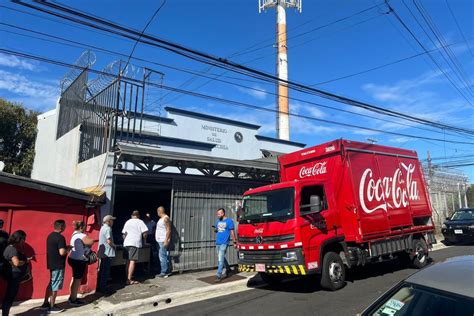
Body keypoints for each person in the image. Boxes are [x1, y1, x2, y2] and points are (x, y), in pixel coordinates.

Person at [40, 220, 69, 314]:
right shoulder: (60, 237)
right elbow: (62, 252)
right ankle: (52, 306)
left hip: (51, 263)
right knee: (55, 285)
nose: (65, 227)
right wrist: (68, 249)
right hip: (58, 264)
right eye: (64, 226)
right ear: (61, 227)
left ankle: (45, 303)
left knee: (51, 283)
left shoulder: (50, 236)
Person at [2, 230, 30, 316]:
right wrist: (25, 261)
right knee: (10, 296)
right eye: (23, 238)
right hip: (14, 276)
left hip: (11, 275)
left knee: (9, 295)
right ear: (19, 239)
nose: (24, 241)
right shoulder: (12, 249)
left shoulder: (8, 247)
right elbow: (16, 263)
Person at [67, 221, 93, 306]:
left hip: (72, 258)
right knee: (77, 279)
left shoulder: (74, 234)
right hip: (78, 260)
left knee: (74, 278)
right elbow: (90, 242)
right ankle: (73, 300)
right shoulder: (81, 235)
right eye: (84, 227)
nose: (85, 228)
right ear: (81, 227)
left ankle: (72, 296)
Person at [122, 210, 148, 285]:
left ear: (132, 215)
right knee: (132, 261)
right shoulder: (140, 222)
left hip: (126, 243)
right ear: (138, 216)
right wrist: (144, 241)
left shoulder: (127, 222)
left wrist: (125, 240)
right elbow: (145, 233)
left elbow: (124, 234)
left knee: (127, 261)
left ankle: (127, 278)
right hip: (134, 243)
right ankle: (129, 280)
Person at [214, 208, 237, 283]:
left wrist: (234, 242)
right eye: (217, 214)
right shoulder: (217, 221)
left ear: (223, 213)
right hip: (218, 242)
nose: (218, 215)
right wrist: (215, 230)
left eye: (219, 213)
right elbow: (216, 229)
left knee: (220, 259)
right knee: (221, 257)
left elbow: (232, 232)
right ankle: (228, 268)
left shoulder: (229, 221)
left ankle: (218, 275)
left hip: (224, 243)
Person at [97, 215, 116, 294]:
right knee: (105, 271)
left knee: (102, 270)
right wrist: (114, 246)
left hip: (102, 252)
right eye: (112, 220)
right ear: (109, 221)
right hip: (107, 252)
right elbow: (109, 241)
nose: (113, 222)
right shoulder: (108, 228)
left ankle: (99, 286)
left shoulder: (102, 228)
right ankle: (103, 288)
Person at [155, 206, 171, 278]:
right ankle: (165, 271)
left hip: (162, 240)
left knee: (162, 257)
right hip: (159, 240)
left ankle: (163, 272)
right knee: (163, 256)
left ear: (159, 211)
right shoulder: (161, 219)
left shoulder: (166, 218)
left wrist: (166, 240)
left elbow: (168, 230)